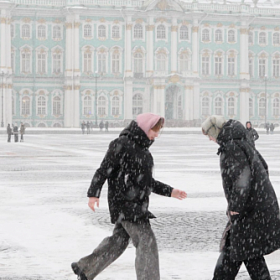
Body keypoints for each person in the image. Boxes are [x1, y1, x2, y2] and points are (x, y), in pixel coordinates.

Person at [71, 113, 187, 280]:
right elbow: (103, 170)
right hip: (127, 203)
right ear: (146, 127)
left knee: (118, 241)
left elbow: (146, 182)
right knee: (146, 241)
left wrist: (170, 191)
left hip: (134, 203)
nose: (157, 135)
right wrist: (93, 194)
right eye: (155, 131)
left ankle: (86, 268)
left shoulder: (143, 151)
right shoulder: (122, 144)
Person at [202, 115, 280, 280]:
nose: (210, 139)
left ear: (215, 131)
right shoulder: (242, 141)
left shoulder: (231, 146)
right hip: (254, 208)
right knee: (247, 255)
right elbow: (263, 167)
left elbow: (241, 181)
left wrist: (236, 208)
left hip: (247, 212)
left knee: (241, 255)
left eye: (209, 134)